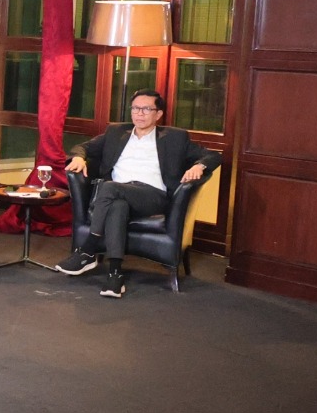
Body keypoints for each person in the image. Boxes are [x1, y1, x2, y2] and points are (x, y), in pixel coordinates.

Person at [54, 88, 220, 299]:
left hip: (152, 196)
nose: (139, 113)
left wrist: (200, 166)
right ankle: (115, 275)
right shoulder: (116, 132)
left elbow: (213, 155)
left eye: (146, 109)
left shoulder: (175, 138)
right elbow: (82, 147)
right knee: (117, 206)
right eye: (135, 108)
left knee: (109, 188)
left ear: (158, 114)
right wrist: (79, 157)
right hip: (117, 194)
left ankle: (88, 250)